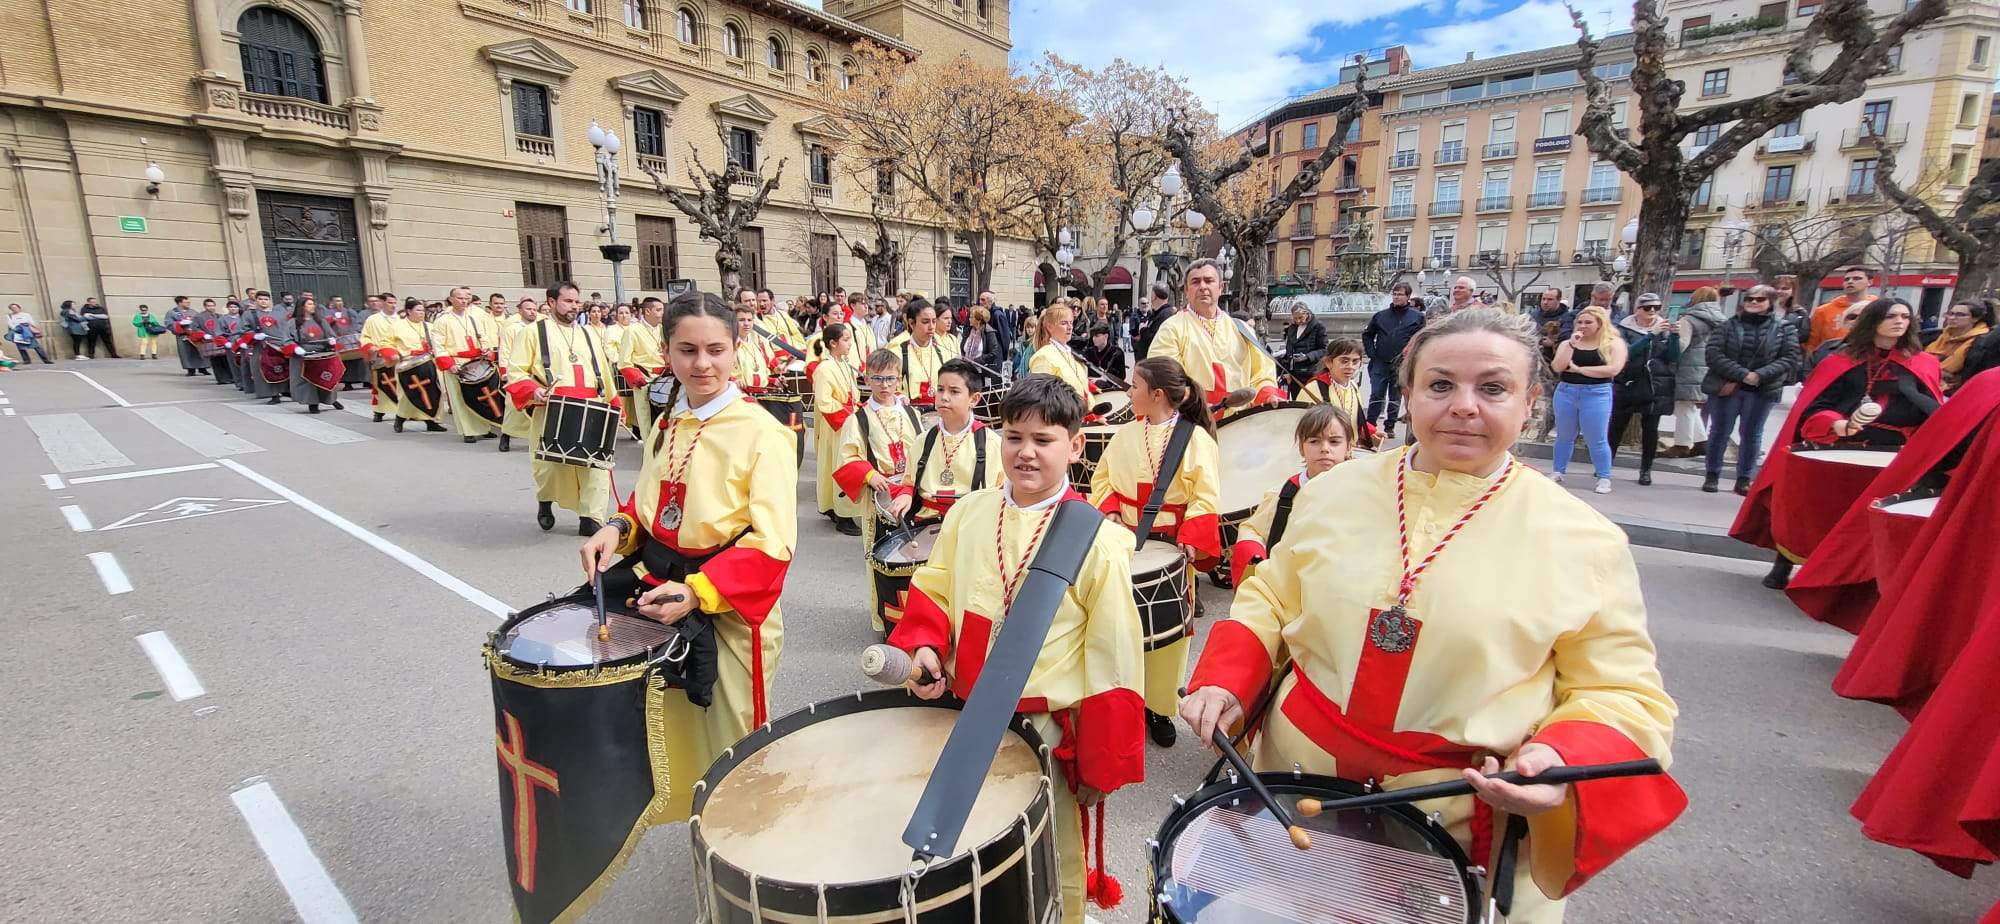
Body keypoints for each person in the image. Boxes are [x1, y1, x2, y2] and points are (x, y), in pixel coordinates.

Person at [1180, 308, 1686, 923]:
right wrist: (1227, 676)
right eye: (1440, 384)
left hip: (1460, 813)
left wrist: (1558, 763)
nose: (1464, 406)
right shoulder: (1332, 491)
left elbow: (1620, 693)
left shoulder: (1586, 540)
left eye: (1493, 388)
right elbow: (1273, 596)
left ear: (1530, 404)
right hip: (1294, 785)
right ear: (1409, 393)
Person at [886, 374, 1145, 924]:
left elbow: (1113, 655)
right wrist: (927, 648)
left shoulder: (1099, 540)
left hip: (1045, 727)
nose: (1025, 452)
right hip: (964, 718)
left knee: (1053, 852)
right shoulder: (969, 513)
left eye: (1043, 440)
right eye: (1013, 436)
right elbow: (934, 588)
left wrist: (1100, 763)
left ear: (1076, 446)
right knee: (969, 851)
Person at [578, 290, 797, 823]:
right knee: (675, 730)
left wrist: (698, 592)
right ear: (667, 351)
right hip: (662, 598)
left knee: (735, 739)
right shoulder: (667, 423)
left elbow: (772, 544)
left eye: (716, 350)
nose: (703, 364)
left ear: (736, 348)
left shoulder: (762, 433)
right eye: (688, 350)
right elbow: (651, 504)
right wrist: (617, 528)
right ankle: (703, 821)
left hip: (728, 608)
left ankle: (747, 843)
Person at [1731, 297, 1941, 590]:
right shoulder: (1841, 361)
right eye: (1892, 316)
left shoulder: (1923, 363)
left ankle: (1858, 577)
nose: (1899, 322)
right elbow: (1815, 405)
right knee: (1812, 507)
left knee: (1872, 516)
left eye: (1905, 317)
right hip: (1839, 446)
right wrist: (1836, 423)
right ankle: (1785, 561)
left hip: (1894, 450)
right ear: (1874, 320)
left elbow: (1932, 409)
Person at [1088, 356, 1222, 748]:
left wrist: (1193, 537)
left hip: (1173, 547)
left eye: (1134, 386)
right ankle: (1125, 700)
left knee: (1169, 637)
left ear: (1157, 394)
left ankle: (1160, 707)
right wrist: (1111, 510)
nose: (1128, 392)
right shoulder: (1123, 434)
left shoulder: (1194, 438)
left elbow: (1206, 493)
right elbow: (1103, 480)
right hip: (1128, 540)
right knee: (1122, 630)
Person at [505, 281, 620, 535]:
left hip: (591, 406)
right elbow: (516, 371)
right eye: (568, 301)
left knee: (596, 464)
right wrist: (532, 390)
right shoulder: (533, 332)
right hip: (552, 409)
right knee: (550, 468)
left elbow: (603, 372)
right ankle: (545, 501)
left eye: (576, 301)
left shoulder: (588, 333)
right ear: (551, 302)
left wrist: (614, 404)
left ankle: (591, 517)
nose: (574, 306)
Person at [1228, 403, 1356, 587]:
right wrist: (1253, 550)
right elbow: (1253, 529)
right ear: (1301, 448)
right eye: (1314, 441)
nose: (1325, 448)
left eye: (1334, 441)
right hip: (1290, 585)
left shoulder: (1360, 491)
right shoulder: (1282, 495)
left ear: (1349, 447)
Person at [1699, 284, 1802, 495]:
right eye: (1750, 299)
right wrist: (1743, 374)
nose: (1754, 302)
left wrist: (1760, 375)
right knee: (1719, 432)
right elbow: (1713, 354)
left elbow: (1790, 357)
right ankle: (1712, 474)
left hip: (1763, 389)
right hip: (1729, 386)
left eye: (1760, 299)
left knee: (1752, 434)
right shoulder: (1727, 325)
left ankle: (1744, 478)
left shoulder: (1784, 328)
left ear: (1770, 302)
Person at [1148, 259, 1283, 412]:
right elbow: (1163, 376)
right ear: (1186, 290)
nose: (1203, 286)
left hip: (1237, 423)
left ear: (1221, 287)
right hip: (1192, 421)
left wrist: (1267, 395)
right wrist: (1194, 403)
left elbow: (1262, 373)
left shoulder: (1242, 329)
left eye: (1209, 280)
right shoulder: (1171, 328)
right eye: (1195, 282)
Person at [884, 358, 1005, 527]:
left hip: (972, 523)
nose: (944, 397)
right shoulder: (923, 441)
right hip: (925, 524)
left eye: (954, 391)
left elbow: (1003, 494)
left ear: (974, 399)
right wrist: (905, 494)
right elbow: (909, 482)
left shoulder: (992, 444)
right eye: (940, 390)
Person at [833, 349, 926, 547]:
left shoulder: (911, 413)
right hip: (881, 492)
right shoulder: (858, 420)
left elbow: (923, 451)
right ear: (867, 379)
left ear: (899, 379)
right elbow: (847, 458)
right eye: (877, 378)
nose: (884, 385)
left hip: (912, 491)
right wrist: (869, 475)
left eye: (890, 379)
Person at [1549, 306, 1626, 494]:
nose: (1583, 326)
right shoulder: (1568, 343)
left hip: (1597, 392)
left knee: (1596, 437)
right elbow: (1558, 366)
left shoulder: (1613, 343)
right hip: (1567, 390)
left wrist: (1579, 369)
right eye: (1580, 322)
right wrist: (1572, 346)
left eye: (1588, 322)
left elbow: (1613, 369)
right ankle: (1558, 471)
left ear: (1600, 324)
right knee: (1564, 436)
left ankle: (1603, 476)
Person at [1608, 293, 1680, 486]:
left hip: (1654, 385)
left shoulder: (1663, 329)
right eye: (1647, 308)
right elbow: (1626, 353)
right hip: (1628, 382)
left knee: (1650, 430)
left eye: (1656, 307)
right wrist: (1650, 335)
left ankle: (1646, 470)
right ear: (1637, 309)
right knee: (1616, 427)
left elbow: (1672, 357)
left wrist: (1674, 335)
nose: (1652, 311)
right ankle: (1605, 467)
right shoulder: (1623, 328)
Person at [810, 323, 864, 534]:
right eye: (846, 340)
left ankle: (835, 507)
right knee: (840, 466)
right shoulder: (824, 369)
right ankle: (843, 514)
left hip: (846, 423)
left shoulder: (844, 364)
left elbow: (853, 395)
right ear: (833, 343)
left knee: (840, 465)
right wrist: (849, 418)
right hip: (836, 426)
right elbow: (824, 402)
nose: (850, 344)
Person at [431, 287, 502, 443]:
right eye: (459, 298)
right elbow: (438, 345)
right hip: (457, 363)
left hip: (476, 361)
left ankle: (484, 428)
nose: (464, 301)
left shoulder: (472, 318)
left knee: (480, 396)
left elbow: (483, 337)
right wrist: (448, 364)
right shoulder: (443, 320)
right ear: (451, 299)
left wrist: (486, 349)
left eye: (465, 298)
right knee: (461, 398)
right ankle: (468, 431)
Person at [371, 298, 450, 432]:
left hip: (429, 364)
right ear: (408, 311)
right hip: (408, 366)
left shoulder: (429, 327)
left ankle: (431, 421)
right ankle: (400, 418)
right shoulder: (397, 326)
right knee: (409, 395)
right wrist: (393, 354)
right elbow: (385, 343)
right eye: (418, 310)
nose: (422, 313)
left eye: (423, 310)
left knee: (433, 393)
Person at [1662, 287, 1723, 458]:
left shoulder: (1689, 320)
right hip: (1706, 368)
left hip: (1687, 368)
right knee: (1690, 406)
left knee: (1683, 406)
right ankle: (1701, 441)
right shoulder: (1721, 320)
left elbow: (1680, 346)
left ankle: (1681, 444)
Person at [1363, 282, 1423, 439]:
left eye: (1400, 294)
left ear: (1408, 297)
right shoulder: (1381, 315)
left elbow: (1421, 339)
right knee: (1376, 394)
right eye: (1394, 294)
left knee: (1395, 396)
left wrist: (1412, 358)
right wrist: (1372, 353)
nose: (1396, 297)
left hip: (1402, 363)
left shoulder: (1417, 317)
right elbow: (1368, 334)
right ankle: (1370, 425)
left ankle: (1390, 426)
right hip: (1380, 361)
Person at [276, 298, 344, 414]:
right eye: (310, 304)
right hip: (304, 356)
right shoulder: (293, 322)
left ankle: (330, 399)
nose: (313, 306)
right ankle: (312, 403)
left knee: (326, 377)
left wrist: (332, 341)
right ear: (302, 307)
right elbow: (287, 340)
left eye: (313, 304)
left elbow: (331, 335)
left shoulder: (320, 321)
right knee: (307, 380)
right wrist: (296, 349)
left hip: (322, 354)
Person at [886, 298, 949, 407]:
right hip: (909, 413)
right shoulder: (897, 352)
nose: (931, 327)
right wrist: (899, 397)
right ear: (911, 323)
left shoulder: (942, 351)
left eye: (934, 321)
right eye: (925, 322)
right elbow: (886, 386)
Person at [498, 297, 542, 452]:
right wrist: (505, 372)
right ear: (520, 310)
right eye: (528, 309)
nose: (532, 312)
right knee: (512, 407)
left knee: (539, 408)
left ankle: (538, 439)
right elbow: (505, 351)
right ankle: (506, 435)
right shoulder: (512, 329)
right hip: (518, 372)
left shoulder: (541, 328)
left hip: (537, 374)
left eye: (534, 309)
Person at [620, 297, 668, 433]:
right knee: (647, 419)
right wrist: (636, 379)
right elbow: (624, 360)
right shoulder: (632, 330)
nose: (662, 313)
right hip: (644, 380)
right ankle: (648, 451)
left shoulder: (663, 330)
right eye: (659, 310)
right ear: (647, 311)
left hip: (665, 379)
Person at [1028, 302, 1093, 401]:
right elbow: (1042, 400)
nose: (1070, 327)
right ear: (1050, 327)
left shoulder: (1069, 353)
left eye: (1071, 322)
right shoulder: (1043, 356)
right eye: (1064, 323)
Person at [1925, 299, 1992, 392]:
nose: (1952, 318)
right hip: (1929, 381)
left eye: (1960, 315)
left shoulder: (1982, 342)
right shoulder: (1939, 335)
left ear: (1975, 318)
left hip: (1957, 391)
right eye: (1951, 313)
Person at [1807, 266, 1873, 352]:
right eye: (1847, 279)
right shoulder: (1823, 311)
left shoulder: (1879, 309)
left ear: (1870, 282)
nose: (1850, 282)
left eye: (1857, 278)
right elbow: (1811, 345)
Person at [1280, 304, 1329, 396]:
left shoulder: (1318, 327)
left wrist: (1307, 356)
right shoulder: (1292, 328)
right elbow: (1289, 349)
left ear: (1307, 314)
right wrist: (1287, 371)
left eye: (1300, 317)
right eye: (1295, 318)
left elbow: (1324, 349)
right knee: (1296, 401)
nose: (1298, 321)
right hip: (1295, 373)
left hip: (1311, 372)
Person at [960, 306, 1005, 387]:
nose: (969, 319)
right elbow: (963, 348)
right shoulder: (968, 331)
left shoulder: (989, 332)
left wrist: (977, 360)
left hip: (981, 373)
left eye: (971, 317)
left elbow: (994, 353)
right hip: (966, 371)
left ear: (978, 320)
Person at [165, 296, 203, 373]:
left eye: (189, 302)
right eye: (186, 302)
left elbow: (200, 321)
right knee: (186, 353)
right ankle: (190, 369)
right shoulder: (172, 312)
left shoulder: (193, 312)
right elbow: (168, 323)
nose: (188, 303)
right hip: (182, 335)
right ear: (179, 303)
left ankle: (202, 368)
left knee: (199, 351)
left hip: (194, 334)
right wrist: (179, 324)